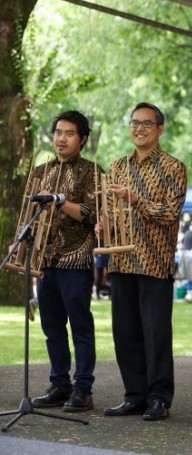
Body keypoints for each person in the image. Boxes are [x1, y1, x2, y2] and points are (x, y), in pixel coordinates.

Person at [103, 102, 187, 421]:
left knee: (156, 334)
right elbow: (110, 212)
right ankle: (134, 396)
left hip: (154, 260)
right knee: (125, 333)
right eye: (134, 123)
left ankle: (159, 398)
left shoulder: (173, 167)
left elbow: (169, 214)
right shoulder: (117, 166)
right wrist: (105, 224)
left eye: (146, 124)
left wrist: (135, 200)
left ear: (160, 129)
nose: (138, 129)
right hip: (121, 260)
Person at [23, 111, 101, 412]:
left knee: (80, 326)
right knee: (51, 326)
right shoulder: (40, 171)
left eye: (69, 133)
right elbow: (28, 215)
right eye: (58, 132)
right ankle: (59, 384)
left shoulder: (92, 172)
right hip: (45, 259)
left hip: (75, 258)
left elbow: (93, 213)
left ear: (82, 139)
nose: (61, 138)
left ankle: (83, 389)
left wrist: (58, 201)